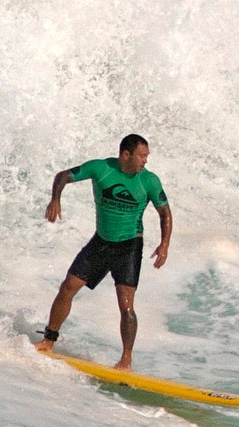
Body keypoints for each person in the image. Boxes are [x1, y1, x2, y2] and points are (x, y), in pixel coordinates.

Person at [37, 133, 171, 369]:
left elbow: (165, 213)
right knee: (68, 287)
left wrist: (164, 244)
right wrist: (55, 199)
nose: (145, 161)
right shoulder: (101, 169)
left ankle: (126, 359)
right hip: (101, 243)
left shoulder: (149, 181)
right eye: (141, 156)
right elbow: (63, 176)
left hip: (129, 246)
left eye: (147, 156)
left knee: (126, 305)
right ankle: (48, 341)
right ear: (126, 155)